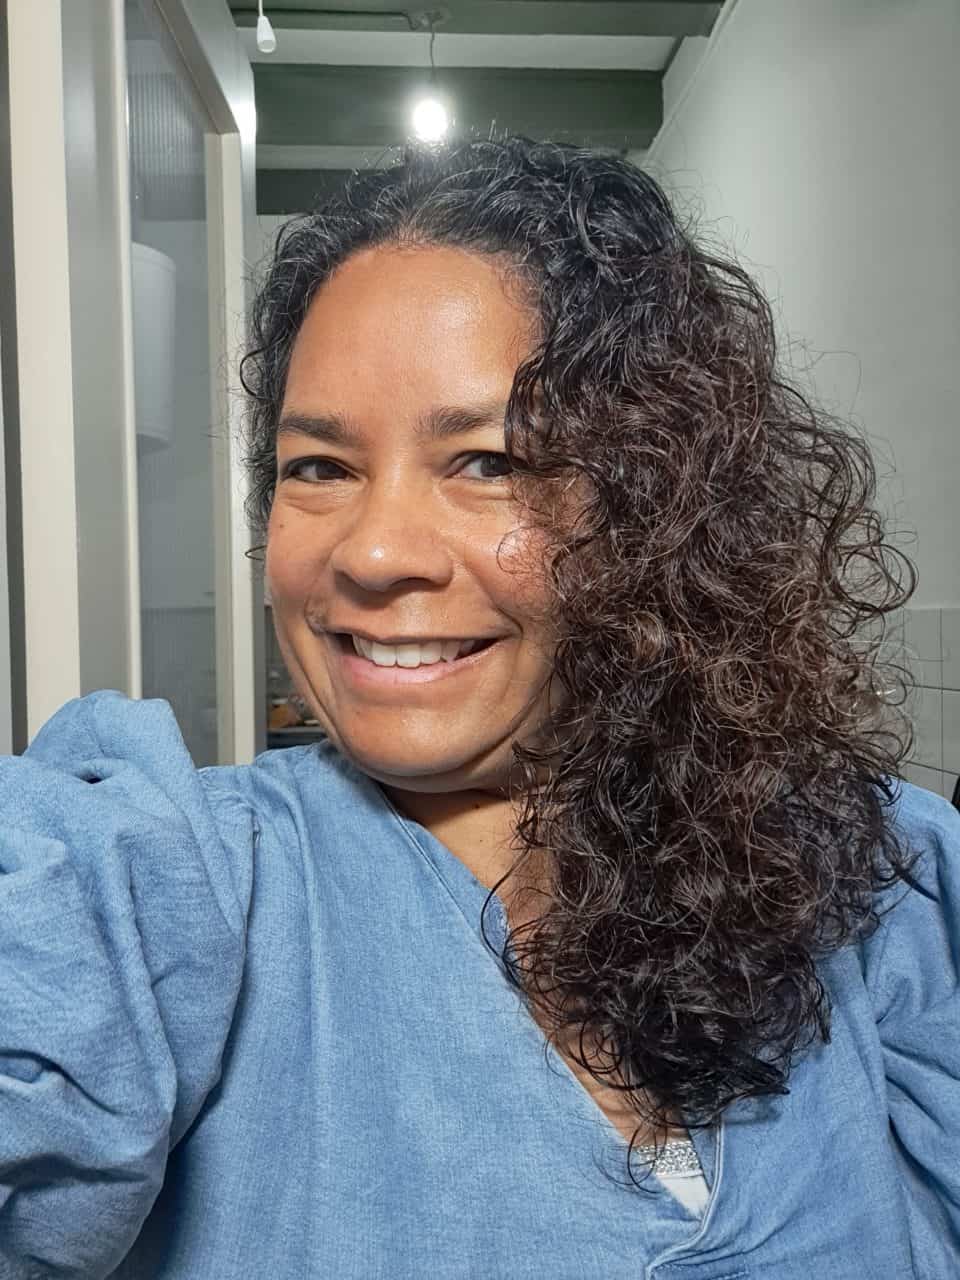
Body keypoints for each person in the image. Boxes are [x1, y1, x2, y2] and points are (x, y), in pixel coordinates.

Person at [1, 137, 958, 1279]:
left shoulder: (882, 877)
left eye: (489, 461)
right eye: (319, 467)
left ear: (660, 509)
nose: (373, 552)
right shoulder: (167, 879)